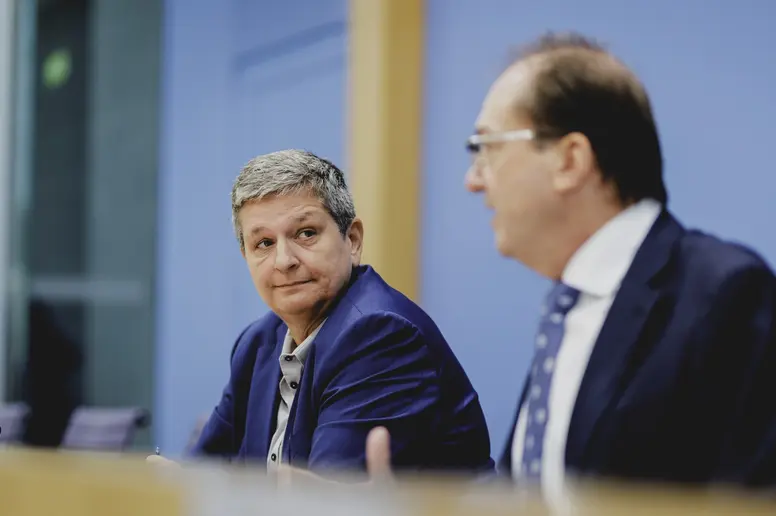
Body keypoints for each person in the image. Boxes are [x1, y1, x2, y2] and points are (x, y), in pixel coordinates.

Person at [366, 32, 776, 493]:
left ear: (570, 159)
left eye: (486, 147)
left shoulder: (725, 293)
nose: (473, 180)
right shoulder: (566, 310)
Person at [149, 149, 493, 477]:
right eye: (264, 243)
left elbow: (323, 501)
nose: (284, 260)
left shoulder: (380, 335)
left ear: (353, 240)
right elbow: (203, 475)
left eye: (306, 233)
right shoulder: (257, 344)